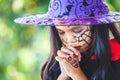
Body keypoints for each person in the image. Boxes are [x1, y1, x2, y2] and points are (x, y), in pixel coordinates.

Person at [14, 0, 120, 80]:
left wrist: (76, 73)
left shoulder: (116, 59)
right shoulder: (55, 66)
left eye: (77, 30)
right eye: (61, 32)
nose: (70, 40)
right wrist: (64, 75)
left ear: (97, 26)